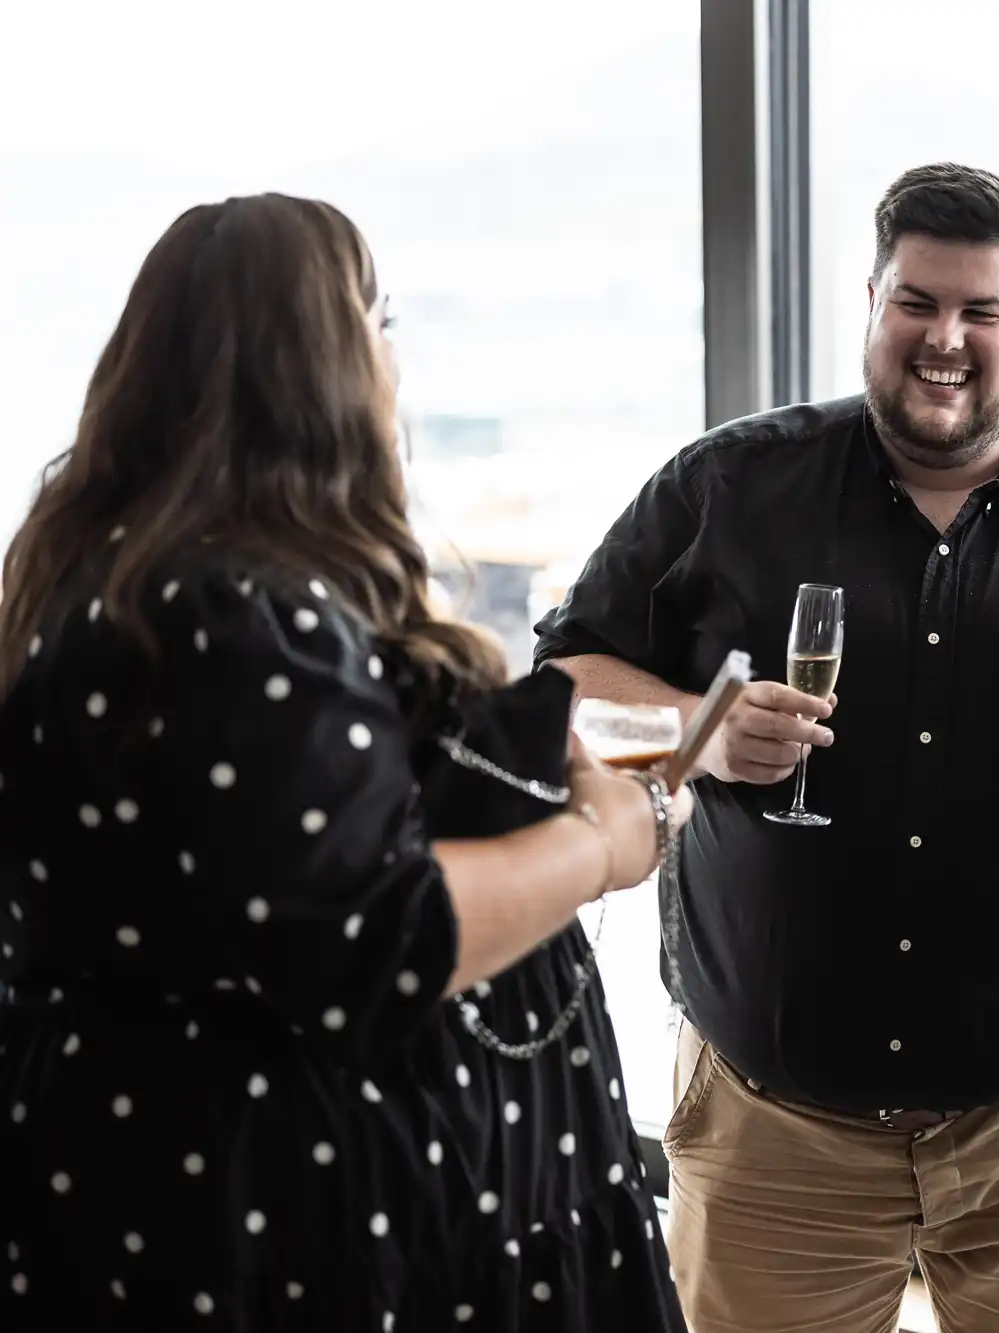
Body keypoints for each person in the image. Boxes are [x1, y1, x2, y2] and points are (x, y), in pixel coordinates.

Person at [534, 161, 999, 1332]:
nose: (944, 339)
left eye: (981, 312)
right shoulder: (727, 485)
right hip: (769, 1133)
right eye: (915, 303)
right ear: (869, 303)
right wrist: (698, 733)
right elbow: (562, 682)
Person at [0, 194, 692, 1332]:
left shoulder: (144, 583)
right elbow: (380, 930)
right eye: (379, 321)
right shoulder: (230, 609)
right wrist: (605, 843)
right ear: (315, 361)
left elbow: (275, 856)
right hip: (279, 1215)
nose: (390, 357)